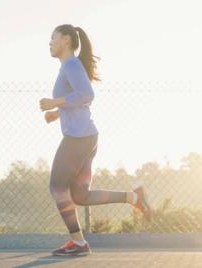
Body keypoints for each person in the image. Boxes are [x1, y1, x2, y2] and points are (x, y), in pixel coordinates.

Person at [39, 24, 153, 257]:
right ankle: (134, 197)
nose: (49, 42)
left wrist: (55, 102)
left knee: (57, 188)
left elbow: (87, 95)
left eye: (53, 38)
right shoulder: (70, 66)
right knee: (80, 195)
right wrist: (57, 113)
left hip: (78, 138)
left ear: (67, 41)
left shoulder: (70, 64)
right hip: (87, 136)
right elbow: (80, 100)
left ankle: (79, 243)